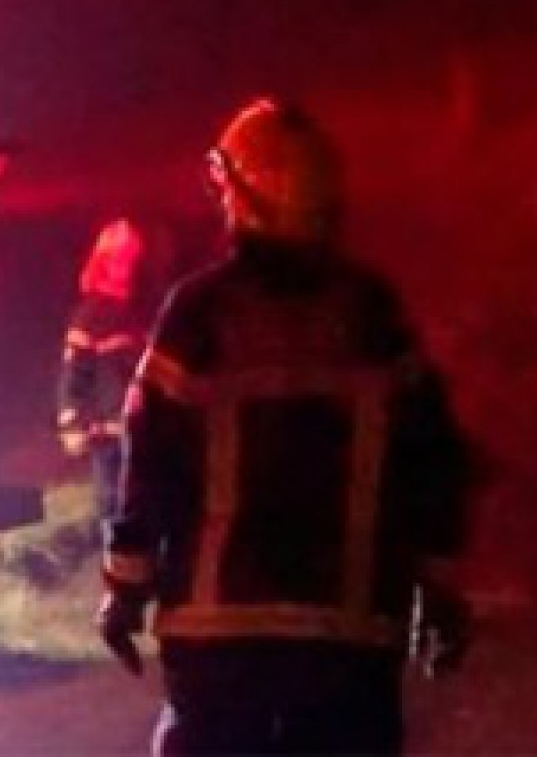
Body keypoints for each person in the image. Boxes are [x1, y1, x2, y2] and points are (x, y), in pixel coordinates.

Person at [98, 99, 475, 757]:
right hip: (352, 637)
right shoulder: (372, 312)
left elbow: (151, 458)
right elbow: (431, 456)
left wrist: (126, 589)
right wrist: (438, 586)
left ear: (243, 197)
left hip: (217, 636)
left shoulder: (200, 312)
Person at [55, 216, 150, 540]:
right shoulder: (92, 315)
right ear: (104, 263)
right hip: (110, 438)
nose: (127, 267)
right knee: (116, 512)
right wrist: (73, 425)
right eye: (121, 260)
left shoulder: (144, 310)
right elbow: (74, 376)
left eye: (132, 260)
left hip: (145, 434)